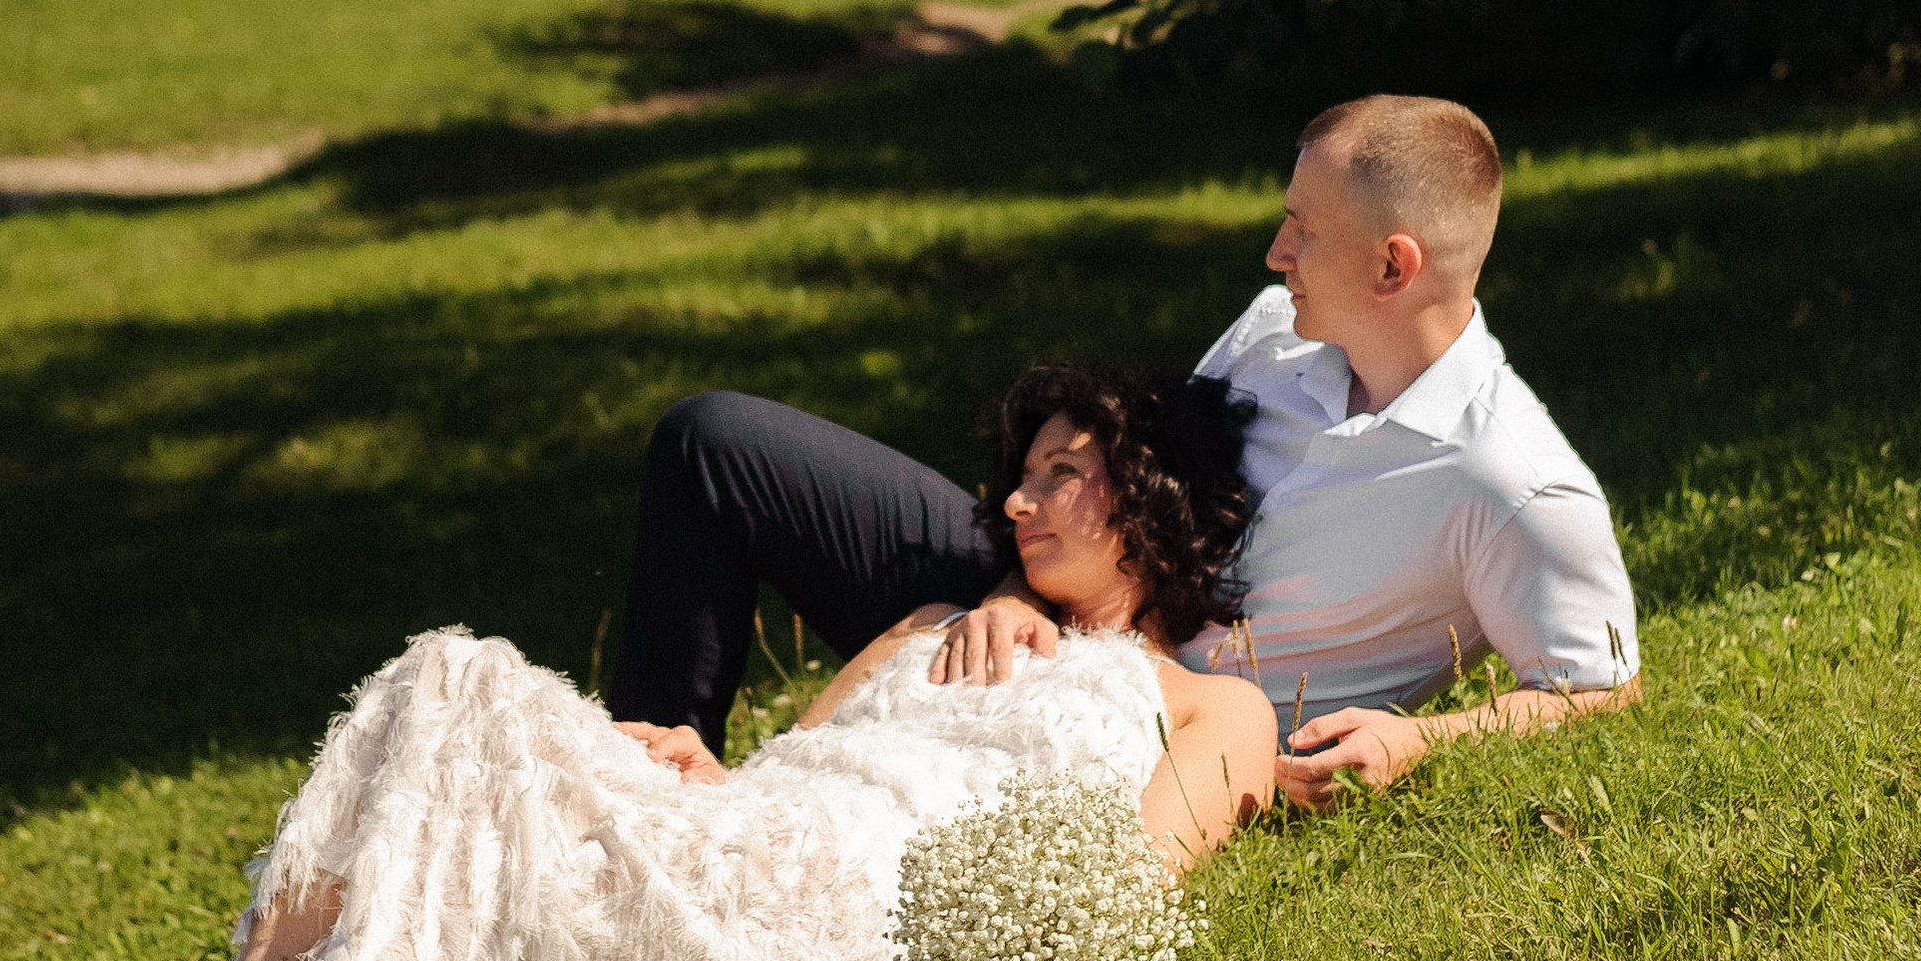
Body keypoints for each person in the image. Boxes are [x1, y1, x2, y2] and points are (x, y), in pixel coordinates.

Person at [0, 368, 1275, 961]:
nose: (1021, 499)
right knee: (443, 685)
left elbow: (1125, 883)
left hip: (864, 896)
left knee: (462, 754)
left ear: (1150, 502)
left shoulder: (1206, 705)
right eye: (1021, 473)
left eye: (1064, 473)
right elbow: (790, 765)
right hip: (768, 837)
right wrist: (691, 762)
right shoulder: (930, 619)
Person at [605, 93, 1639, 811]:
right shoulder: (1275, 334)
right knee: (714, 442)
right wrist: (1015, 587)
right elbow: (1131, 484)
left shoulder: (1510, 479)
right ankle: (644, 791)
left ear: (1391, 264)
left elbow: (1600, 691)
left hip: (1151, 727)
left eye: (1298, 230)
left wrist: (1418, 739)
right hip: (1052, 617)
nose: (1274, 254)